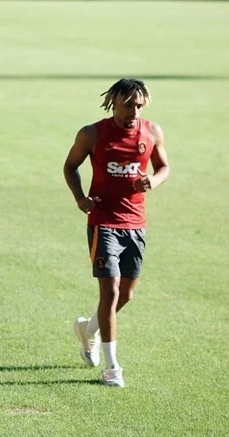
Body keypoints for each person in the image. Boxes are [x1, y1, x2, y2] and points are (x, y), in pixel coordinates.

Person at [63, 78, 170, 387]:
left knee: (126, 294)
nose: (134, 112)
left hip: (135, 223)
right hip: (103, 221)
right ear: (113, 103)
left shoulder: (152, 132)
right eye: (128, 105)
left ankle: (88, 330)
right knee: (109, 292)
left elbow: (163, 167)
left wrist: (153, 181)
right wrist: (80, 198)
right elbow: (70, 166)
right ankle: (112, 367)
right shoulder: (92, 134)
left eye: (139, 106)